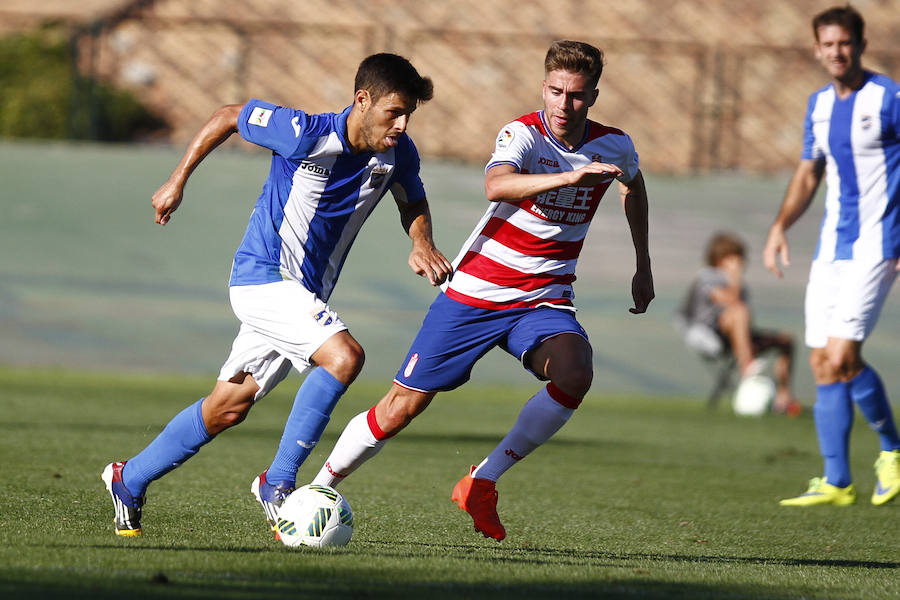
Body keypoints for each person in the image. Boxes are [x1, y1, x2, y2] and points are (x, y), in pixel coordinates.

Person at [308, 40, 654, 541]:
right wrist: (571, 175)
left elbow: (633, 185)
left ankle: (482, 480)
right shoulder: (524, 134)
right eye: (555, 91)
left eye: (575, 96)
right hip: (476, 292)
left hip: (544, 296)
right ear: (544, 87)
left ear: (593, 96)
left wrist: (643, 263)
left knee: (575, 372)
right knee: (401, 407)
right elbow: (497, 185)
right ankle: (319, 487)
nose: (563, 104)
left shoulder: (615, 145)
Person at [101, 53, 453, 536]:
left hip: (303, 296)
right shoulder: (305, 132)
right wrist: (176, 180)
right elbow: (228, 115)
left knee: (228, 406)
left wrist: (422, 242)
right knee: (345, 357)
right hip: (261, 279)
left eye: (410, 113)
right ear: (362, 100)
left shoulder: (398, 153)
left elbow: (412, 199)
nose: (403, 123)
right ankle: (279, 483)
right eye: (395, 111)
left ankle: (129, 478)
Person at [763, 5, 900, 507]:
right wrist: (780, 227)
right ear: (818, 49)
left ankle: (892, 449)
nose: (837, 52)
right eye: (828, 45)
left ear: (860, 45)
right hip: (831, 247)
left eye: (845, 43)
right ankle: (837, 481)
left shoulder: (889, 98)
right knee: (823, 362)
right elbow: (808, 175)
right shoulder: (819, 105)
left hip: (879, 242)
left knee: (842, 355)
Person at [678, 232, 800, 414]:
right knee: (739, 311)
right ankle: (747, 366)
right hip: (712, 337)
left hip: (737, 338)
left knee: (786, 341)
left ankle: (784, 398)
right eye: (734, 258)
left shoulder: (738, 284)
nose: (741, 263)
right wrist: (735, 277)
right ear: (721, 259)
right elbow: (731, 301)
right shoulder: (708, 277)